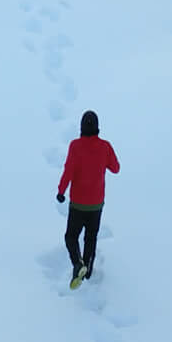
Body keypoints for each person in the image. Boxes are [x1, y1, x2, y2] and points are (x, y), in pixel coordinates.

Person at [55, 109, 120, 286]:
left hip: (78, 204)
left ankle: (78, 264)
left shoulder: (75, 146)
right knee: (90, 238)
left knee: (71, 237)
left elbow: (68, 171)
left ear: (82, 127)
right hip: (96, 204)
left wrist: (61, 191)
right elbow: (116, 168)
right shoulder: (105, 146)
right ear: (97, 127)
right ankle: (88, 271)